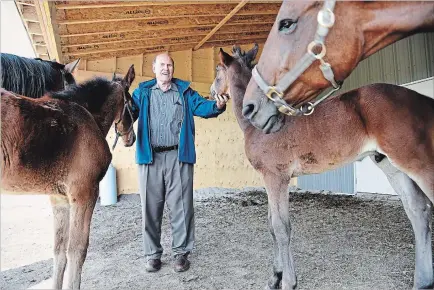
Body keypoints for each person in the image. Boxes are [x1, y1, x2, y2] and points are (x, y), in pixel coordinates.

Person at [131, 53, 229, 273]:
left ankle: (181, 253)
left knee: (182, 207)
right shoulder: (143, 93)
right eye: (162, 65)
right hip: (150, 158)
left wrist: (218, 106)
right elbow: (129, 113)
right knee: (150, 207)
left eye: (170, 65)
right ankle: (153, 255)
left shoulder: (184, 92)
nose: (166, 69)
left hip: (178, 156)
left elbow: (203, 107)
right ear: (154, 68)